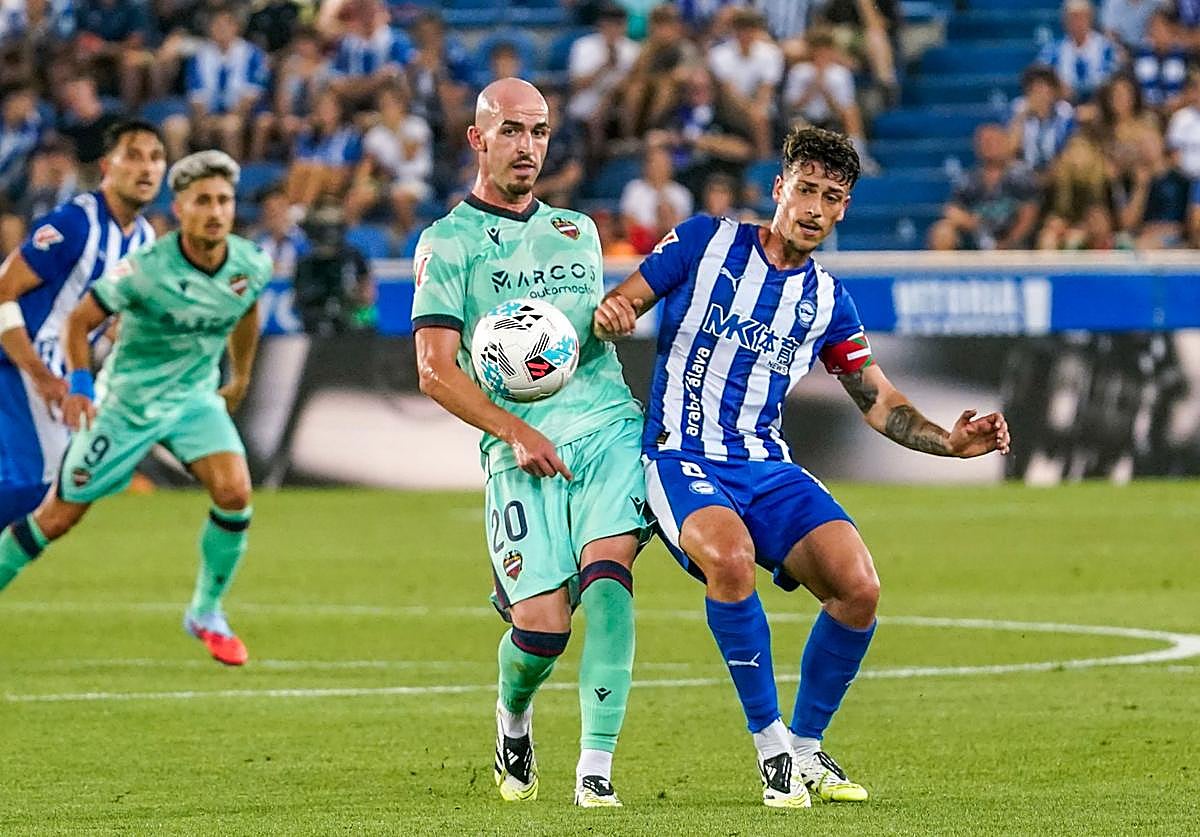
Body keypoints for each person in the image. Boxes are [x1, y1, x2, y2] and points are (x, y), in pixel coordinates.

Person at [593, 126, 1010, 808]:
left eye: (832, 196)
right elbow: (629, 298)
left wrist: (949, 440)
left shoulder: (826, 300)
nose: (815, 207)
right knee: (729, 558)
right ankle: (772, 751)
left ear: (843, 209)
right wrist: (615, 313)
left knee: (859, 585)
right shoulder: (706, 241)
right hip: (680, 454)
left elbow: (878, 401)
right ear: (780, 189)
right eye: (807, 190)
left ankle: (808, 748)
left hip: (766, 465)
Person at [411, 77, 647, 808]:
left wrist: (613, 317)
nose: (528, 146)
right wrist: (513, 430)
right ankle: (512, 716)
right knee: (541, 630)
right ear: (478, 140)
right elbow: (434, 371)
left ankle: (595, 770)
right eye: (512, 130)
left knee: (609, 580)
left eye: (539, 131)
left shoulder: (579, 229)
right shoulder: (447, 242)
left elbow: (586, 335)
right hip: (519, 449)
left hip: (607, 426)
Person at [0, 150, 274, 667]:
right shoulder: (144, 270)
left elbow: (246, 313)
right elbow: (77, 322)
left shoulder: (250, 263)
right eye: (203, 202)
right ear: (181, 209)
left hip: (192, 399)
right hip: (126, 405)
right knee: (57, 516)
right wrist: (81, 383)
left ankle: (206, 612)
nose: (215, 211)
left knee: (235, 491)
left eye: (224, 200)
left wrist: (240, 376)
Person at [0, 119, 163, 530]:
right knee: (44, 482)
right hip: (18, 359)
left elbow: (108, 320)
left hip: (52, 367)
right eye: (135, 156)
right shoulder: (76, 224)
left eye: (156, 158)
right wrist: (41, 375)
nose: (147, 168)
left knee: (46, 485)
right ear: (108, 166)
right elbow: (4, 290)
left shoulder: (143, 239)